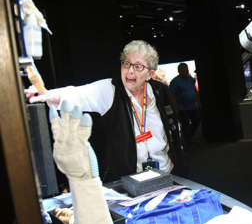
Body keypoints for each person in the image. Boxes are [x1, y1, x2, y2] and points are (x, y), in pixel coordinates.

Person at [25, 40, 184, 182]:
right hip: (130, 181)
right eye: (126, 64)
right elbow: (78, 94)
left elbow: (172, 129)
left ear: (150, 74)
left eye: (138, 66)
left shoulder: (159, 92)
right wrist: (48, 94)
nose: (129, 71)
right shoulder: (110, 90)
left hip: (165, 174)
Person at [169, 62, 201, 152]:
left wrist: (198, 103)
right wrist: (175, 107)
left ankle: (189, 138)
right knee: (185, 125)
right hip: (182, 108)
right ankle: (188, 142)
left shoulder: (191, 79)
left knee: (196, 122)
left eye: (186, 68)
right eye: (183, 69)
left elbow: (194, 91)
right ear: (179, 71)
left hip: (193, 106)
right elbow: (171, 95)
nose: (185, 70)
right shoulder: (175, 81)